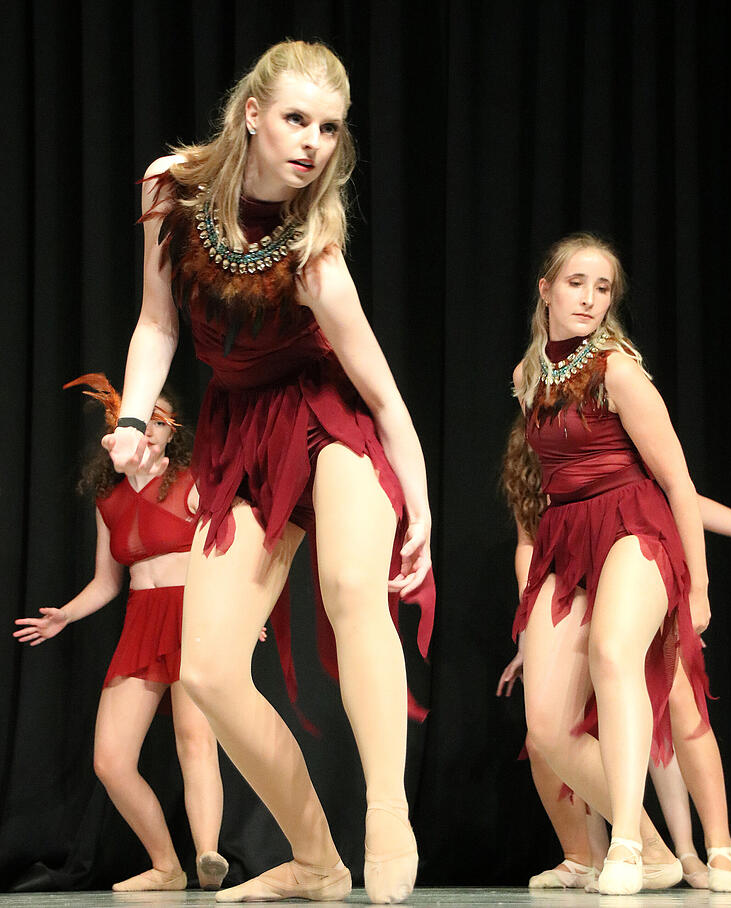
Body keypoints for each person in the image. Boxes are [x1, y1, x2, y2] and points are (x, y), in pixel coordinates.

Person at [101, 40, 434, 905]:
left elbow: (387, 397)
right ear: (252, 112)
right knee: (207, 670)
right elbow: (157, 322)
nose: (313, 142)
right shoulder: (168, 188)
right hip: (241, 432)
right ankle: (318, 861)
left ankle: (388, 810)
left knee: (353, 588)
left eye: (330, 128)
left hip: (328, 419)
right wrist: (134, 420)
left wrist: (421, 506)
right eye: (296, 119)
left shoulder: (315, 254)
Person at [508, 231, 725, 895]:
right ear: (545, 289)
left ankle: (627, 844)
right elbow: (541, 490)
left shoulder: (618, 372)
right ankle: (658, 853)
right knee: (546, 728)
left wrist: (700, 586)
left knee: (613, 654)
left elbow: (679, 482)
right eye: (576, 282)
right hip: (567, 537)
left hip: (633, 523)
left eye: (603, 288)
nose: (590, 298)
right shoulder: (527, 379)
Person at [497, 414, 731, 891]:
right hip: (574, 578)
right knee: (550, 731)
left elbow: (682, 497)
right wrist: (530, 631)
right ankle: (596, 854)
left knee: (676, 697)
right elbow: (527, 547)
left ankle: (712, 850)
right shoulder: (535, 469)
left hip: (630, 558)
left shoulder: (619, 448)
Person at [14, 377, 231, 893]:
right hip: (141, 619)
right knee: (110, 759)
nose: (150, 430)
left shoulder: (192, 480)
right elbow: (106, 581)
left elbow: (225, 555)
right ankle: (166, 866)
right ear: (119, 430)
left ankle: (206, 855)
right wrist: (64, 615)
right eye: (140, 420)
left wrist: (239, 613)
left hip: (194, 614)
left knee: (195, 739)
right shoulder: (108, 498)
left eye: (160, 421)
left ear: (171, 430)